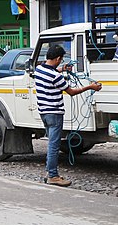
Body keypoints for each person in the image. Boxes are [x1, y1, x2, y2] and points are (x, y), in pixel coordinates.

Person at [34, 44, 102, 187]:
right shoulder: (56, 76)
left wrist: (62, 69)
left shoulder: (39, 69)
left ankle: (50, 172)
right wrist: (91, 87)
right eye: (61, 60)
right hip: (55, 113)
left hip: (44, 113)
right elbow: (71, 92)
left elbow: (51, 71)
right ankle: (53, 175)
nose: (61, 62)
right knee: (54, 145)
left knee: (51, 144)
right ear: (58, 58)